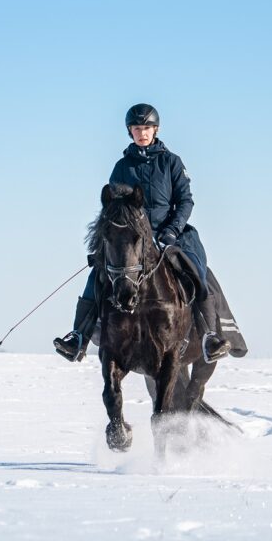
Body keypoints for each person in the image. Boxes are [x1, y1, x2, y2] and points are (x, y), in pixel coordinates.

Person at [54, 103, 234, 363]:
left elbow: (185, 201)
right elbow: (112, 209)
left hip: (172, 232)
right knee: (98, 273)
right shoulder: (122, 167)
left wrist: (172, 229)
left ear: (155, 129)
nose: (142, 133)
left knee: (196, 270)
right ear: (130, 131)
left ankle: (209, 337)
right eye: (137, 128)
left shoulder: (171, 162)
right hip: (131, 237)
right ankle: (78, 337)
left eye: (147, 128)